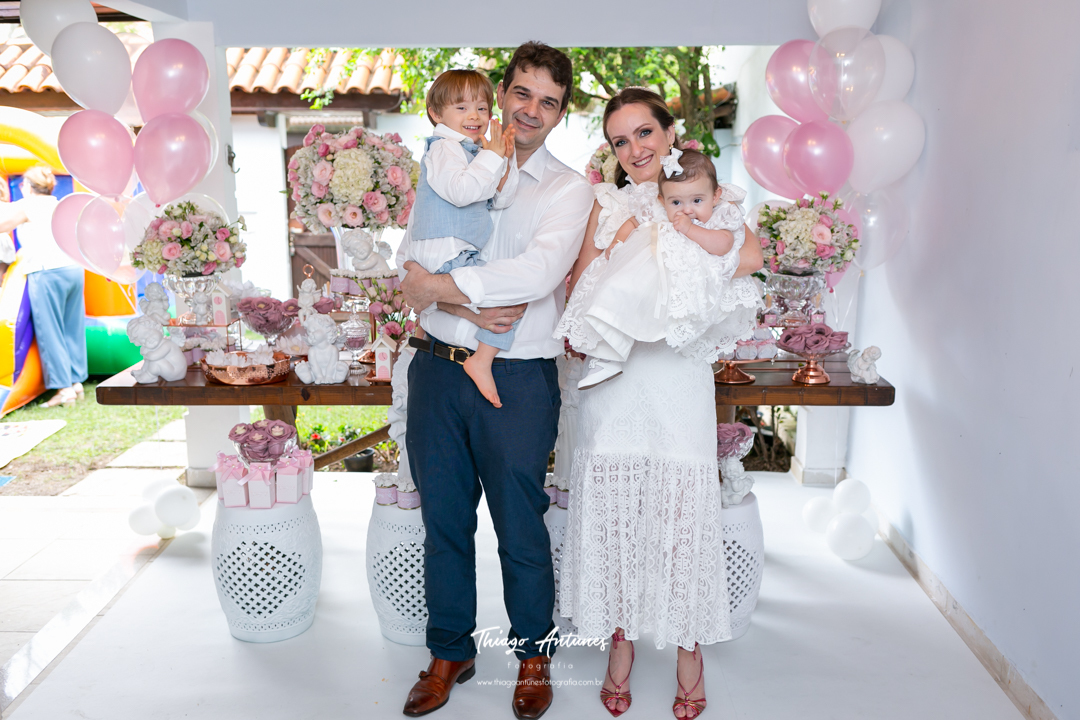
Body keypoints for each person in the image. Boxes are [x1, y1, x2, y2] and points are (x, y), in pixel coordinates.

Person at [397, 41, 594, 720]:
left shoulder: (568, 189)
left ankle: (534, 655)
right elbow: (412, 266)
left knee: (521, 527)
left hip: (517, 380)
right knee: (444, 523)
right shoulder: (448, 160)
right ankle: (449, 652)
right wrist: (452, 301)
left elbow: (538, 275)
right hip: (435, 368)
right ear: (500, 93)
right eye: (523, 93)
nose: (531, 110)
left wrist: (442, 290)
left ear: (561, 113)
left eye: (549, 102)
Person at [557, 88, 763, 720]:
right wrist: (624, 251)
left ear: (670, 134)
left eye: (644, 132)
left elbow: (751, 257)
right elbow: (580, 283)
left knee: (679, 510)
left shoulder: (706, 195)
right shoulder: (606, 203)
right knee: (619, 507)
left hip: (677, 374)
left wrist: (681, 240)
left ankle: (687, 648)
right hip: (616, 381)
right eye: (620, 140)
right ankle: (620, 641)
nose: (635, 149)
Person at [557, 147, 758, 388]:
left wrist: (690, 229)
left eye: (697, 200)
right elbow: (633, 221)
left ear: (715, 196)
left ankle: (618, 353)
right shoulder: (658, 210)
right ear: (662, 200)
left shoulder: (719, 216)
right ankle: (606, 357)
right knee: (615, 293)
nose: (687, 209)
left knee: (646, 312)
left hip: (680, 295)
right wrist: (617, 242)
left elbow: (724, 244)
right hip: (646, 279)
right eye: (676, 202)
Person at [406, 68, 518, 408]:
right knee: (504, 301)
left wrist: (505, 159)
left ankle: (476, 350)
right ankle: (481, 360)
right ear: (436, 114)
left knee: (497, 300)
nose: (474, 116)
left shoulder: (473, 151)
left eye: (482, 108)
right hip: (444, 247)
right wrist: (492, 157)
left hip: (456, 248)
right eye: (462, 107)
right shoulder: (444, 149)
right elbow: (461, 191)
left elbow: (501, 199)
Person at [0, 167, 87, 407]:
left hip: (47, 271)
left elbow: (2, 224)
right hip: (73, 268)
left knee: (50, 330)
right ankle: (76, 383)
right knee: (71, 327)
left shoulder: (28, 205)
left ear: (28, 186)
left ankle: (64, 389)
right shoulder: (58, 204)